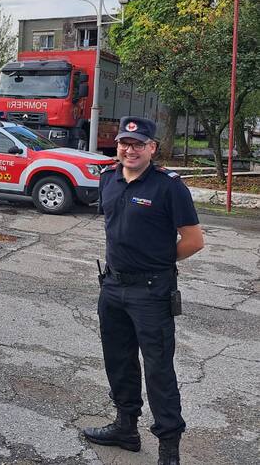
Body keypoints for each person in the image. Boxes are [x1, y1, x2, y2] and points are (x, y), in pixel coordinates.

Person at [83, 116, 204, 465]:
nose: (129, 149)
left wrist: (159, 264)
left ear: (152, 147)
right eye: (124, 143)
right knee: (119, 362)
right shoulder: (109, 179)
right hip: (113, 286)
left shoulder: (169, 187)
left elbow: (194, 241)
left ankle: (169, 449)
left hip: (152, 291)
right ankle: (126, 428)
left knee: (158, 370)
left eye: (138, 144)